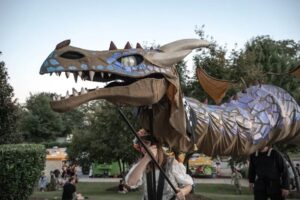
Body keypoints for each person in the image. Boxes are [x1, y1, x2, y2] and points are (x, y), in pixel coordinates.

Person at [125, 129, 193, 200]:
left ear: (156, 145)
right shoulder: (141, 165)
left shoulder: (171, 163)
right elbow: (130, 183)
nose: (143, 148)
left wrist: (183, 191)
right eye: (141, 145)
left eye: (146, 143)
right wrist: (146, 159)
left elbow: (189, 184)